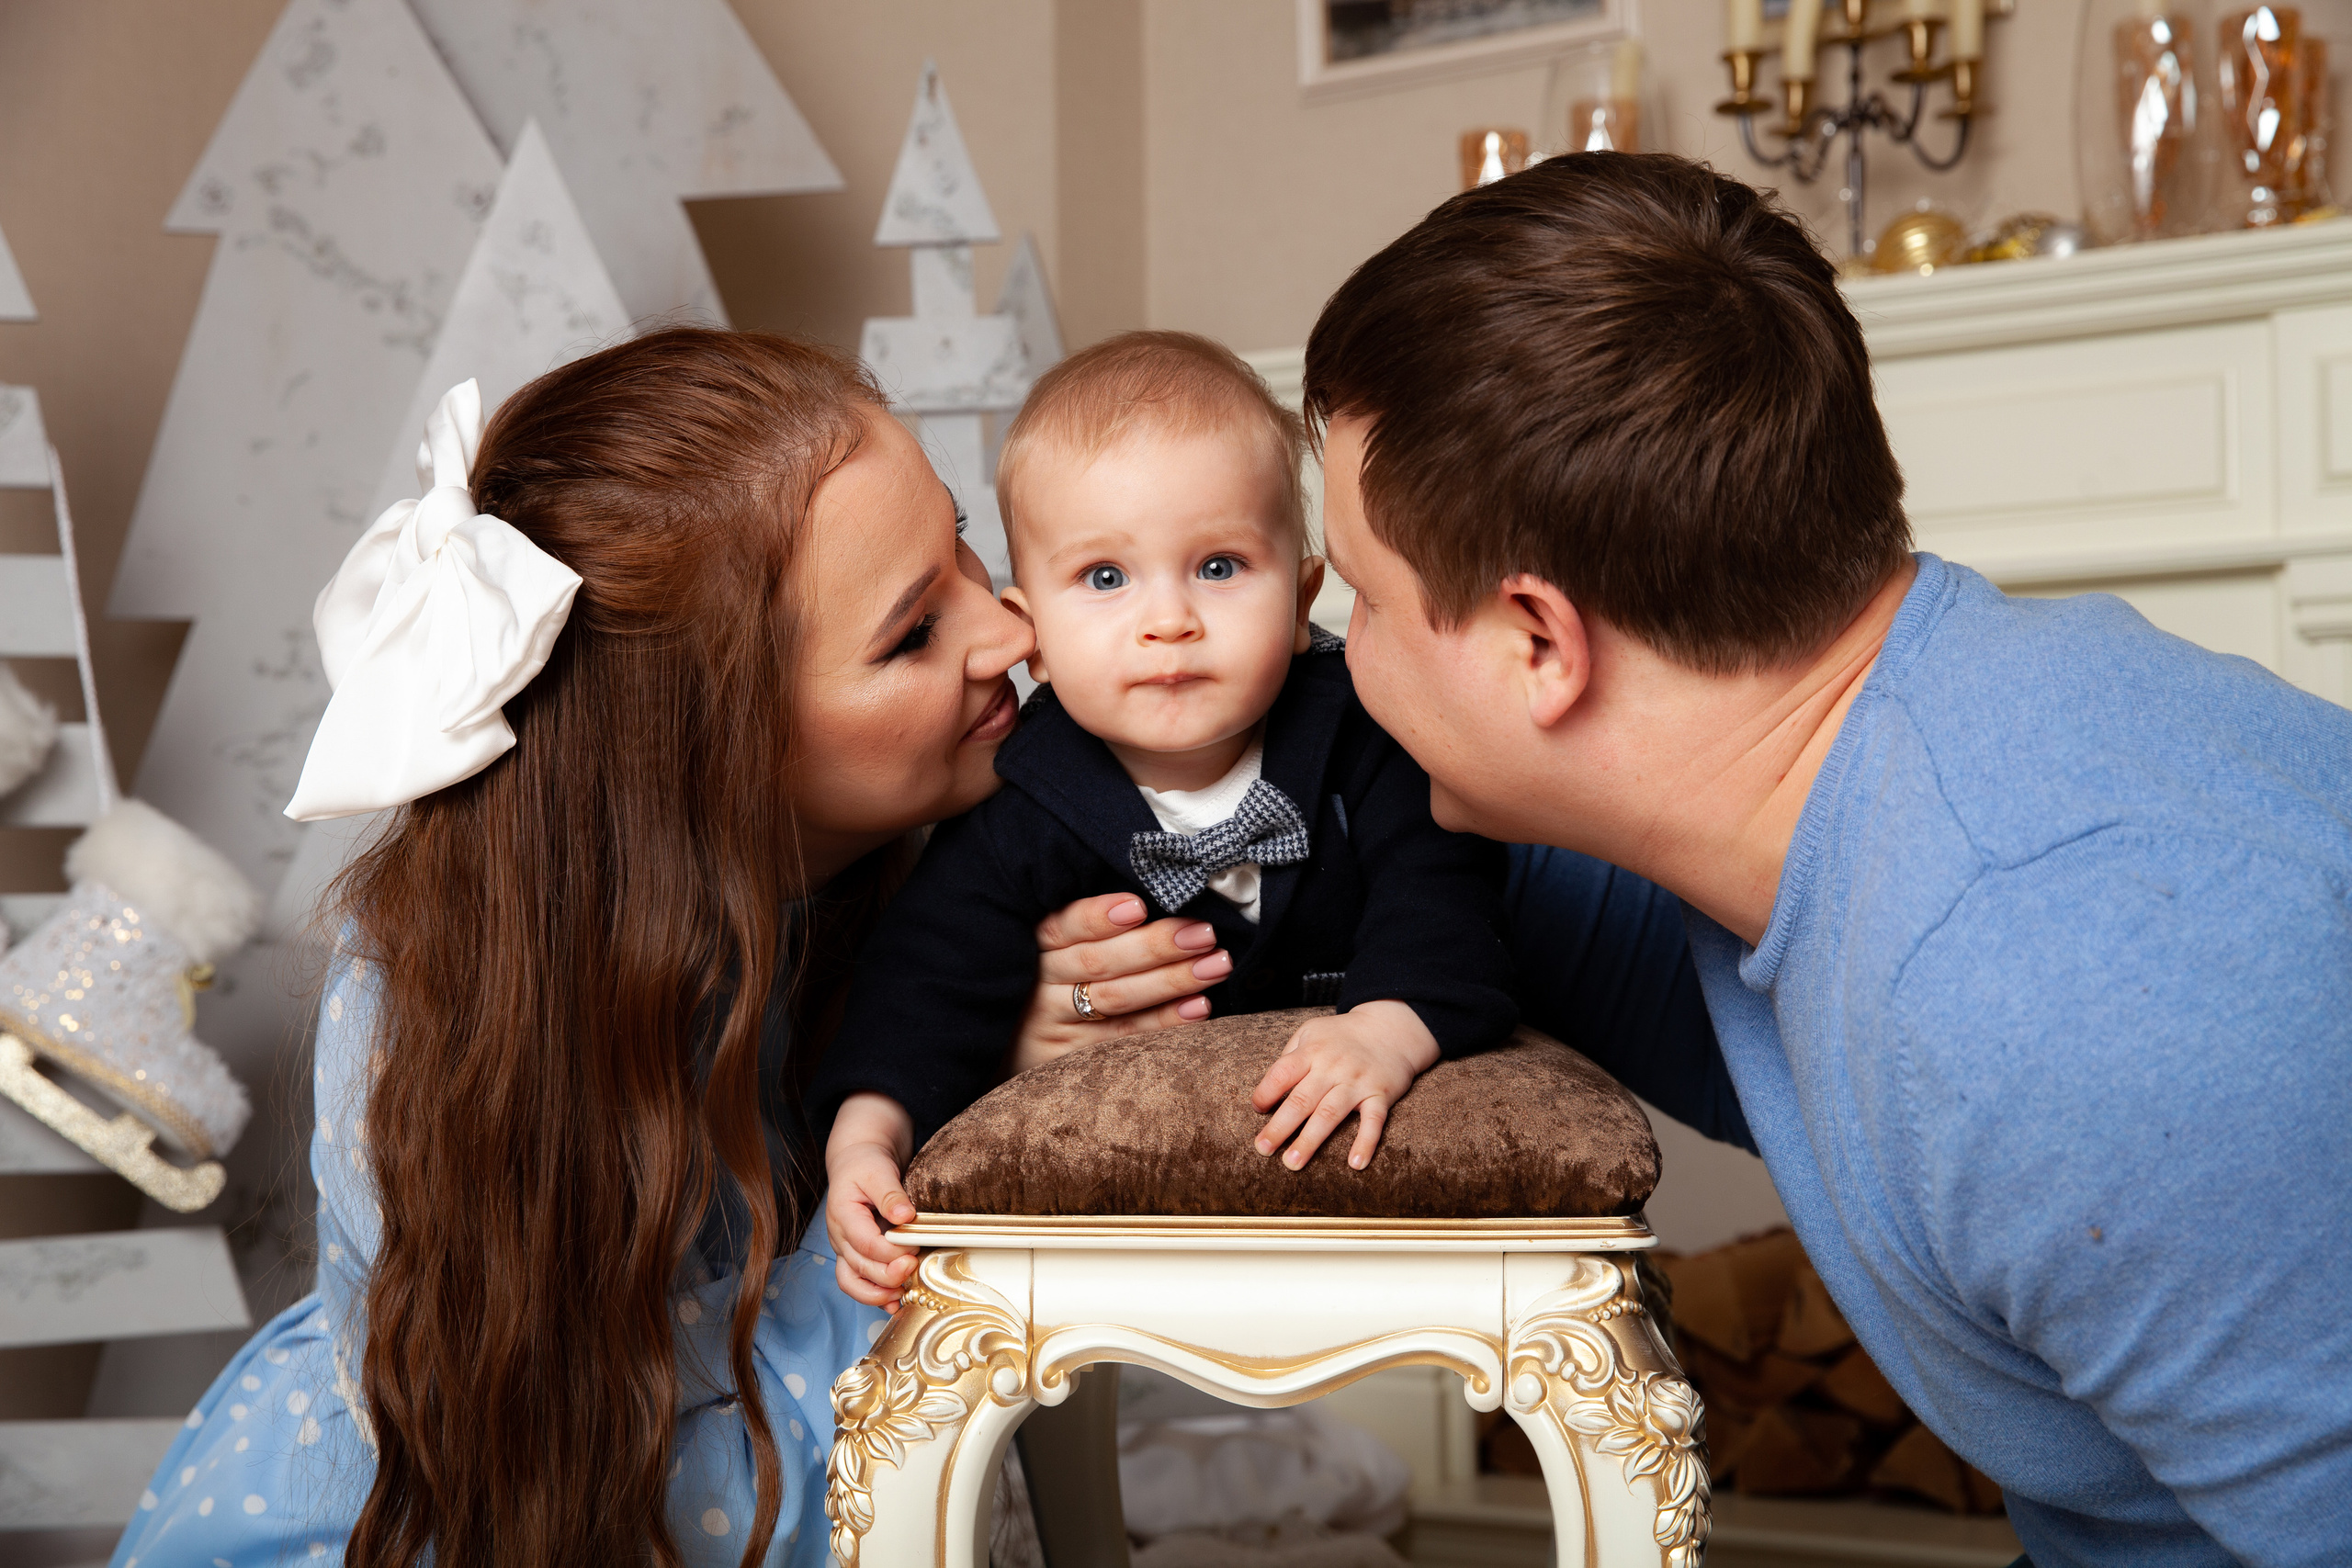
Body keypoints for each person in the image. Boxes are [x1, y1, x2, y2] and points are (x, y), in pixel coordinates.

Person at [1300, 151, 2352, 1567]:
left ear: (1537, 641)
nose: (1337, 651)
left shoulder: (2055, 977)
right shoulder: (1840, 790)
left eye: (1360, 595)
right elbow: (1376, 881)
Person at [107, 330, 1239, 1568]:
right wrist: (955, 1096)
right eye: (912, 632)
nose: (1011, 624)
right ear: (713, 750)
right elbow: (598, 1422)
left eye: (961, 539)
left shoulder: (978, 840)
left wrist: (985, 1028)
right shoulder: (446, 1001)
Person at [813, 331, 1517, 1309]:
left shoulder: (1361, 732)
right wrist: (867, 1135)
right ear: (1036, 639)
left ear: (1305, 593)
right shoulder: (1029, 793)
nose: (1169, 620)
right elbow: (928, 975)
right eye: (1105, 578)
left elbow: (1442, 894)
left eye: (1220, 567)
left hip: (1342, 1085)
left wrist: (1386, 1029)